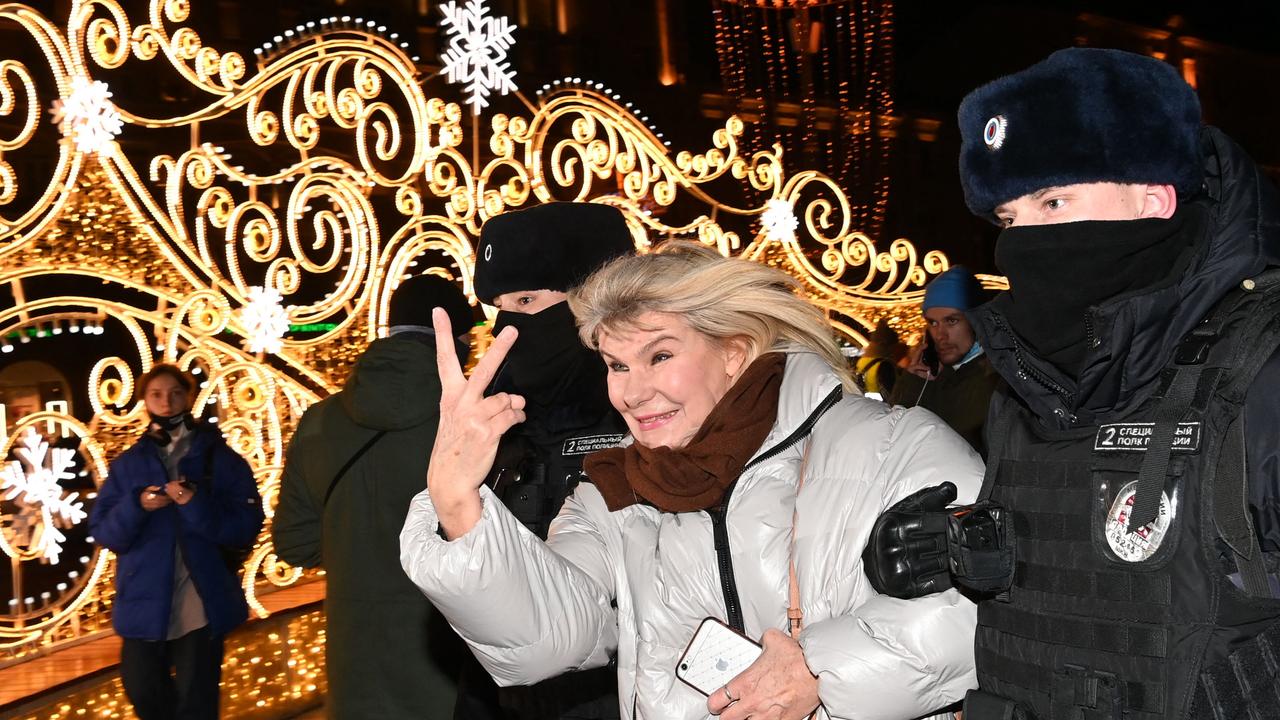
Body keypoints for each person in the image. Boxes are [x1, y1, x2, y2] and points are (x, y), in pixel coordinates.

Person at [401, 241, 984, 720]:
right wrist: (457, 502)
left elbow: (984, 609)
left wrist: (823, 669)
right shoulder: (613, 492)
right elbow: (544, 638)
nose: (632, 392)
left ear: (734, 351)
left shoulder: (892, 447)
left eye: (659, 357)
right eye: (616, 365)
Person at [864, 48, 1280, 719]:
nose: (1023, 240)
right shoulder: (1027, 385)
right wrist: (956, 551)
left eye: (1053, 201)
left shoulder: (1263, 368)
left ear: (1154, 198)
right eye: (1008, 219)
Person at [454, 202, 634, 720]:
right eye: (499, 308)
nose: (507, 325)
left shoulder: (648, 422)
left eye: (528, 299)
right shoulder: (495, 426)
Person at [272, 274, 476, 719]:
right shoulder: (475, 422)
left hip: (356, 667)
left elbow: (294, 543)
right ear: (456, 339)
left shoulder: (320, 422)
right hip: (453, 663)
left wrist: (357, 545)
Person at [90, 364, 263, 720]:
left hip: (199, 604)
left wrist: (193, 503)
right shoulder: (129, 465)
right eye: (156, 394)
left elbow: (245, 526)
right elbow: (106, 532)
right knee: (142, 691)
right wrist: (137, 505)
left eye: (175, 393)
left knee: (196, 703)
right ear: (144, 401)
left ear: (189, 396)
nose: (166, 402)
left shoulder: (221, 459)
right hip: (143, 603)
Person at [889, 266, 1000, 455]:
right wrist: (913, 384)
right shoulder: (939, 377)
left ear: (976, 321)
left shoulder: (995, 380)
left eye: (952, 321)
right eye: (933, 323)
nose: (940, 335)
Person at [852, 319, 904, 399]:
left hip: (864, 403)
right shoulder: (885, 365)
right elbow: (892, 392)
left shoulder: (860, 362)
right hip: (882, 406)